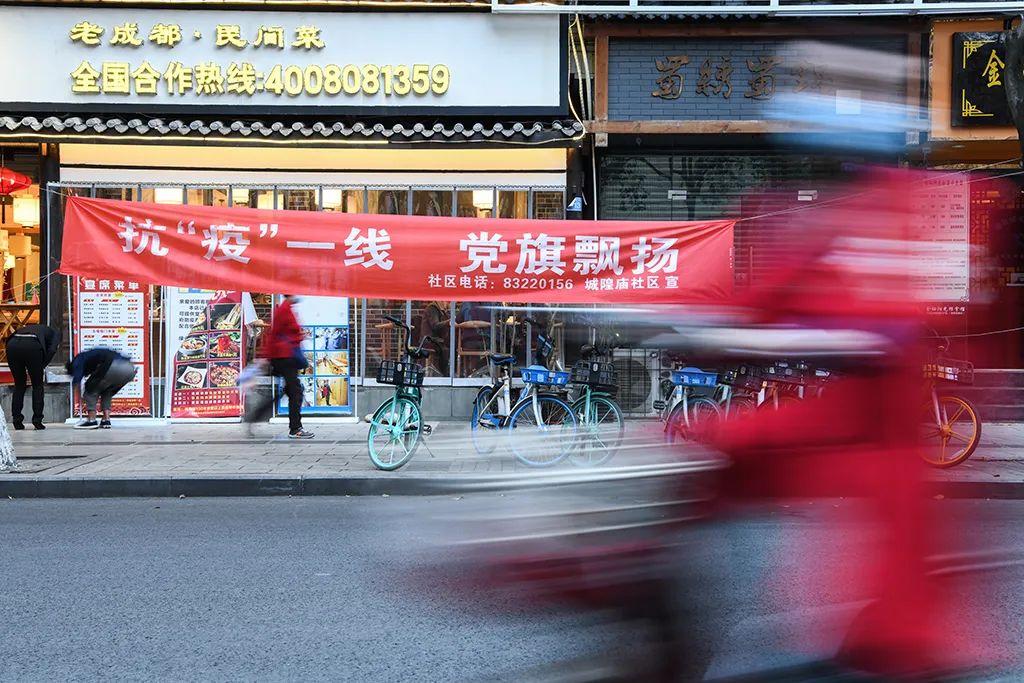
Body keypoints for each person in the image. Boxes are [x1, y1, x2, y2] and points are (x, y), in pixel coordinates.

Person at [246, 294, 313, 439]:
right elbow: (274, 334)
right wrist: (266, 357)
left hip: (285, 357)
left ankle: (256, 416)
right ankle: (295, 429)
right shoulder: (283, 310)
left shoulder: (286, 308)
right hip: (285, 358)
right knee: (295, 392)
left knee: (290, 391)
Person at [65, 347, 137, 429]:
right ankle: (106, 420)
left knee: (89, 388)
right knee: (107, 391)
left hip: (112, 365)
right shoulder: (91, 356)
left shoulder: (78, 360)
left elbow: (77, 381)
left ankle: (91, 420)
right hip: (129, 369)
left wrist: (81, 398)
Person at [4, 324, 60, 430]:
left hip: (12, 344)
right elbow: (52, 350)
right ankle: (37, 421)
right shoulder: (56, 334)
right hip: (32, 345)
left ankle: (17, 420)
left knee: (19, 384)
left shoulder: (34, 328)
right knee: (37, 385)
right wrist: (42, 365)